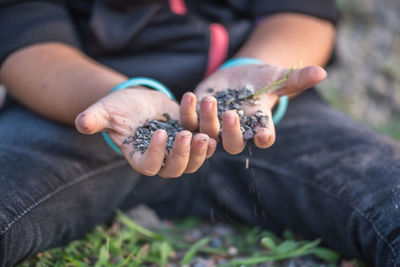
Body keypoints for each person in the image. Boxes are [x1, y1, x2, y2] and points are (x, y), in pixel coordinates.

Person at [0, 0, 399, 266]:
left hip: (254, 109)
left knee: (389, 193)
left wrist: (257, 71)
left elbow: (301, 12)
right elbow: (23, 33)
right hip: (81, 106)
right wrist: (119, 95)